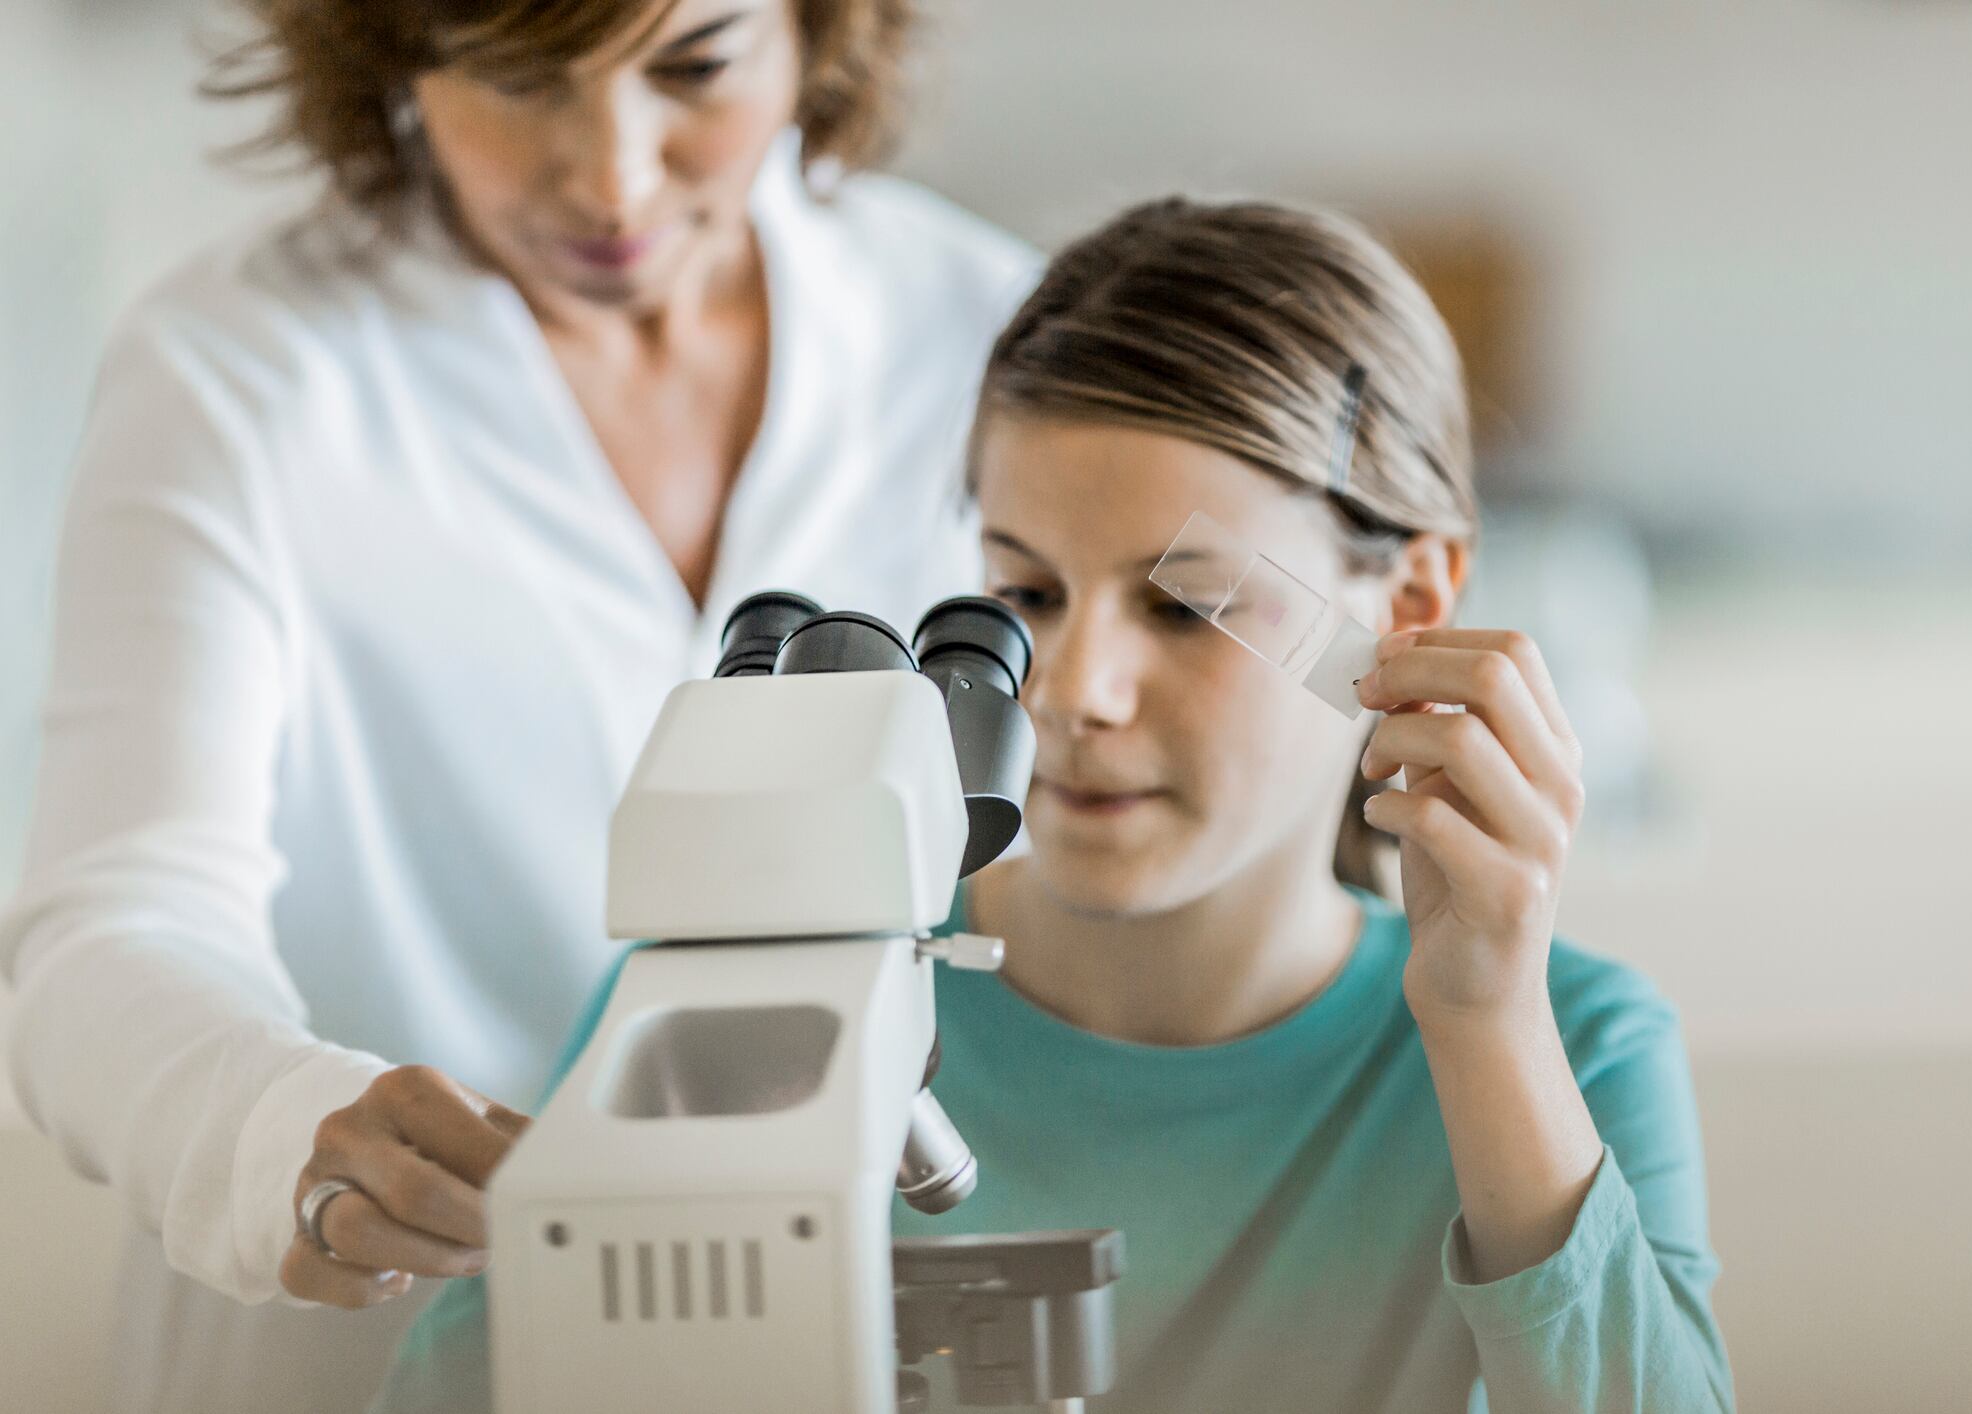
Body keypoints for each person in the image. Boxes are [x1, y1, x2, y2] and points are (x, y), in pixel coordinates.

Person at [372, 196, 1733, 1413]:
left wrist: (1484, 1020)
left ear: (1412, 603)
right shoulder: (746, 1000)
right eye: (1021, 598)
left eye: (1190, 603)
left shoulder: (1571, 1045)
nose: (1075, 690)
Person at [0, 0, 1036, 1409]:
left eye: (695, 65)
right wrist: (278, 1124)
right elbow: (111, 924)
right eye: (519, 76)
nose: (609, 177)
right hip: (357, 1357)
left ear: (817, 29)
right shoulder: (238, 373)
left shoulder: (988, 334)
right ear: (390, 48)